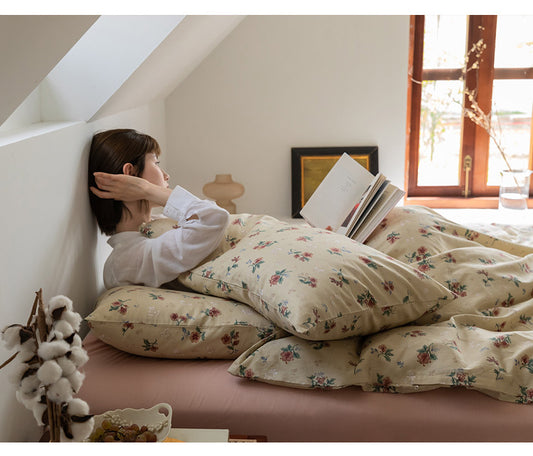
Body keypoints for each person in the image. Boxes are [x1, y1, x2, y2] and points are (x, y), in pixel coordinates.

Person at [88, 129, 229, 289]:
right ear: (130, 173)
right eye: (156, 163)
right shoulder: (126, 260)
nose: (166, 175)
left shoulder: (157, 225)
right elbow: (215, 218)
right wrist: (147, 189)